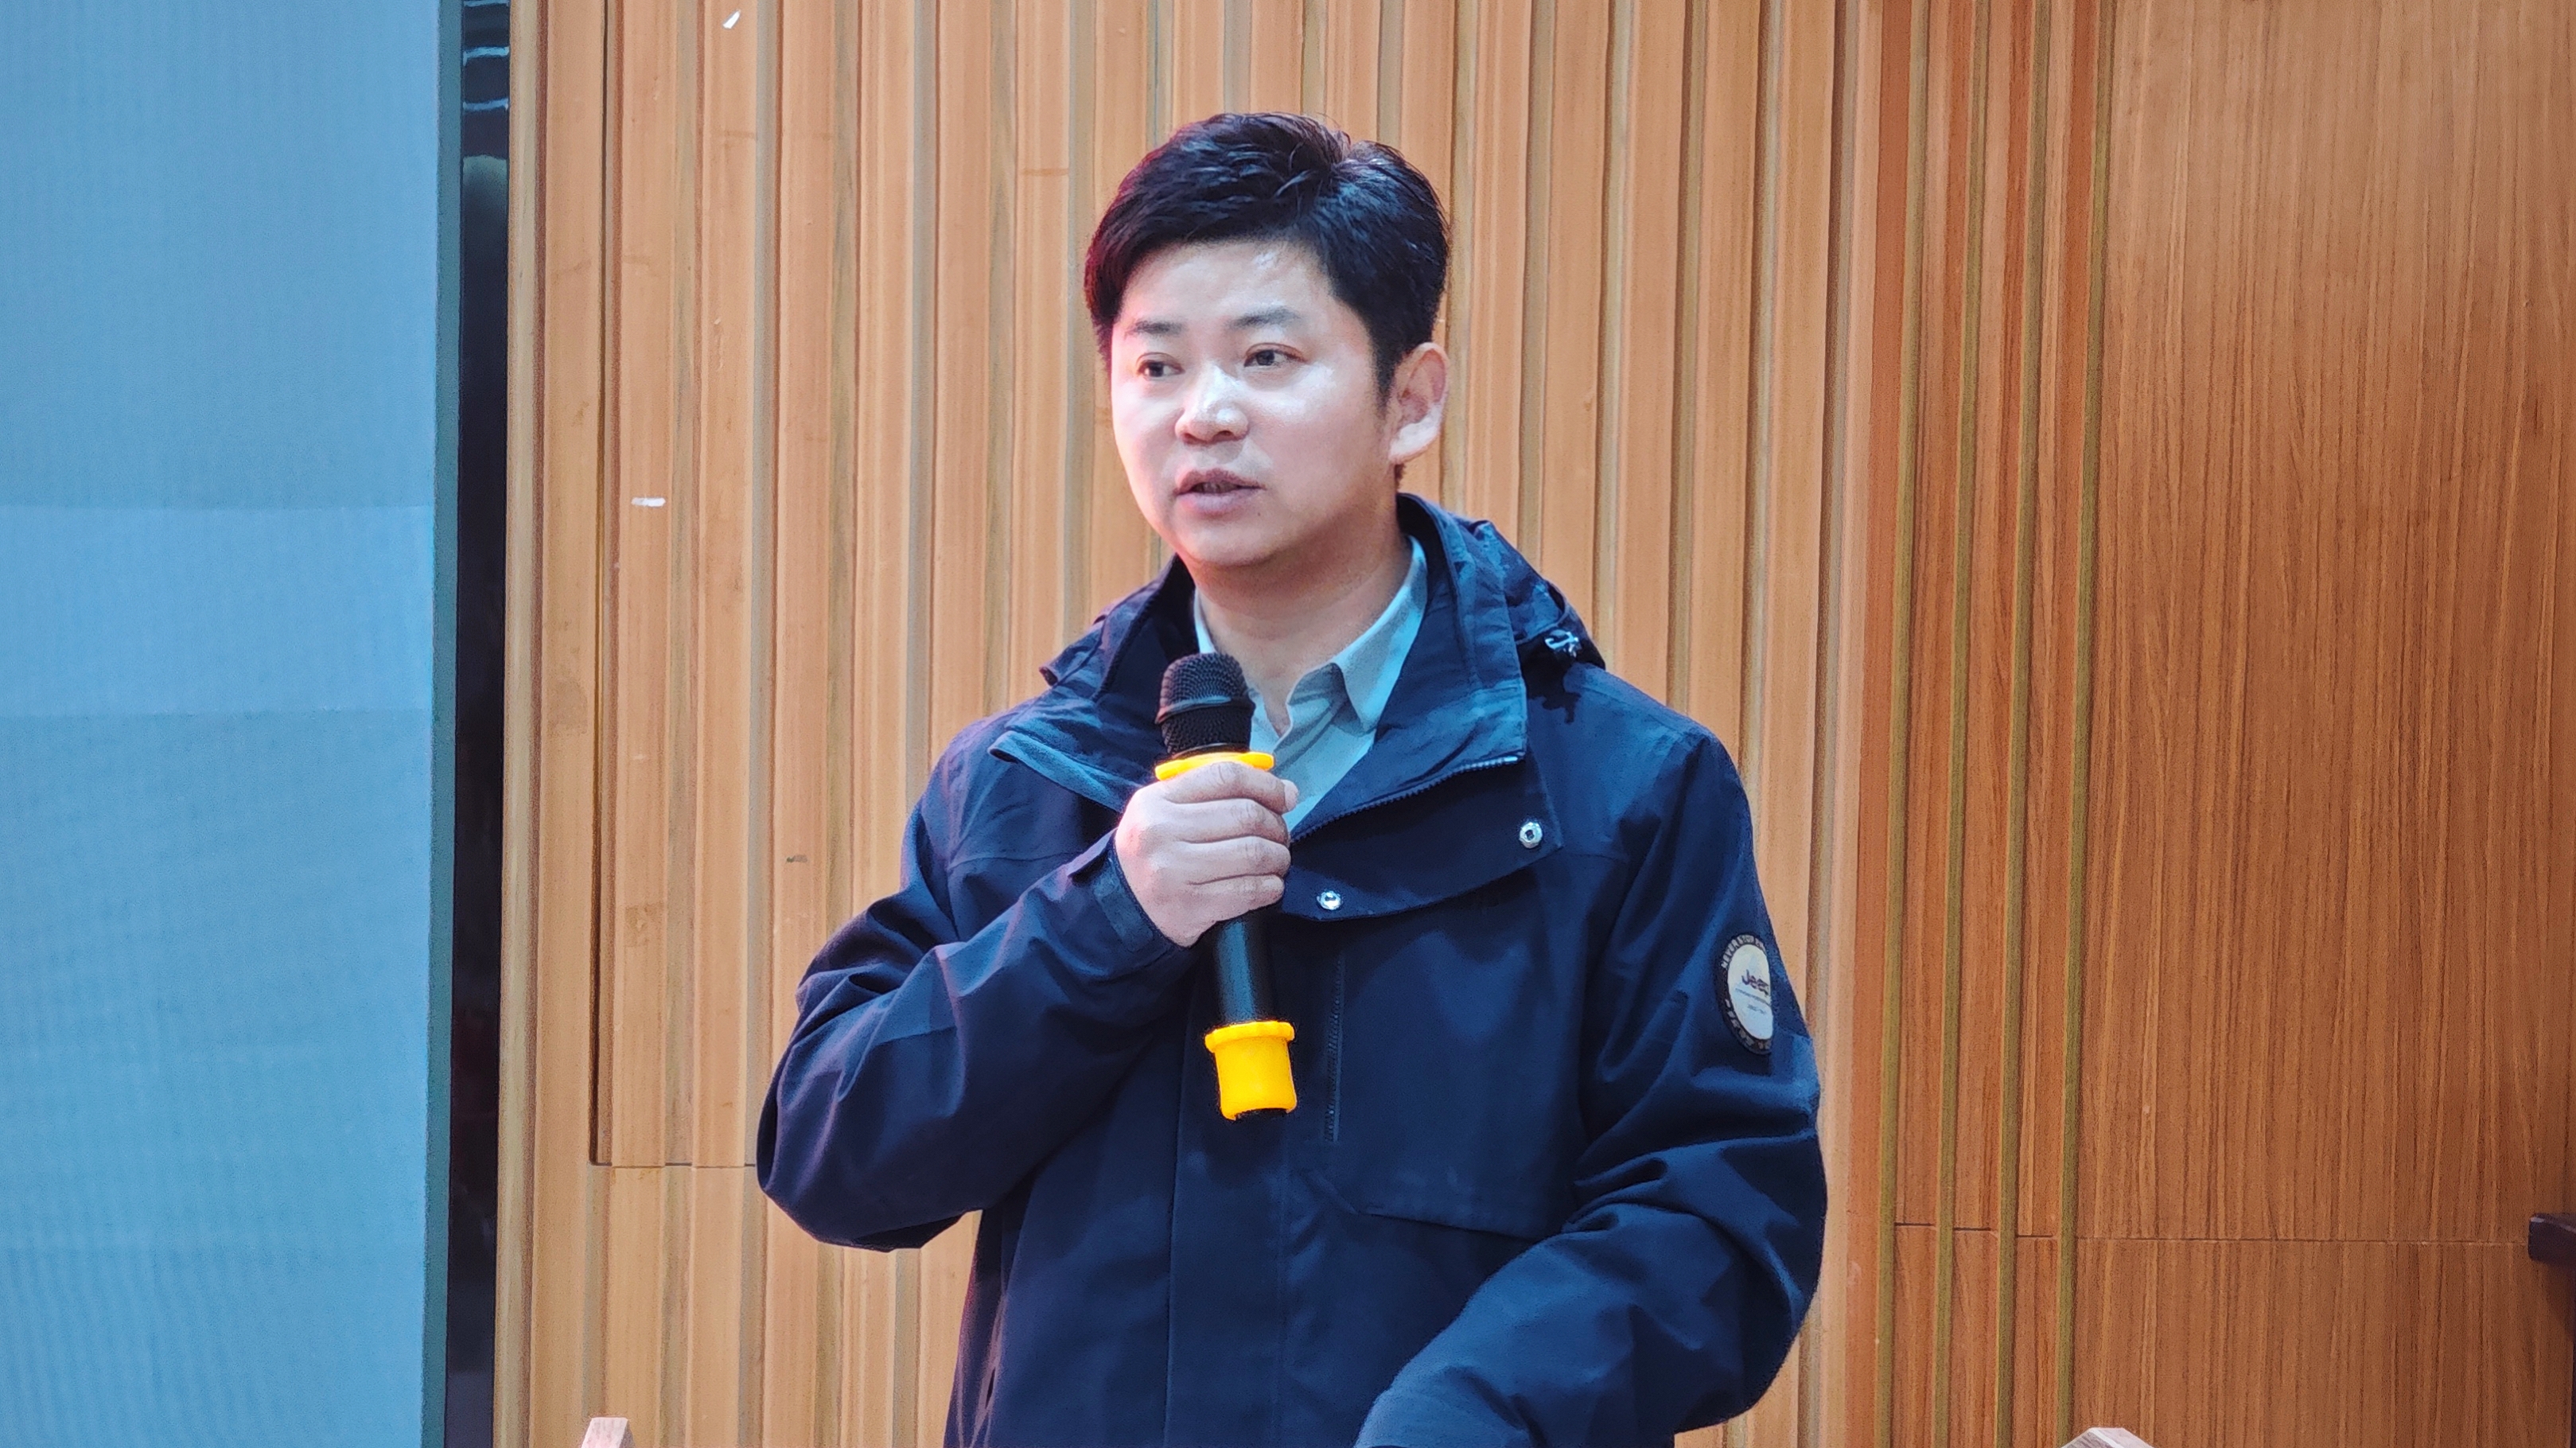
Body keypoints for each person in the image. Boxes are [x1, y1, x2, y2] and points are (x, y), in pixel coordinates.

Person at [757, 112, 1825, 1448]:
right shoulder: (1022, 781)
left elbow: (1719, 1207)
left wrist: (1473, 1410)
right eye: (1156, 365)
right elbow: (832, 1156)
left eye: (1266, 357)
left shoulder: (1622, 787)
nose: (1202, 412)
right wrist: (1105, 920)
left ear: (1410, 398)